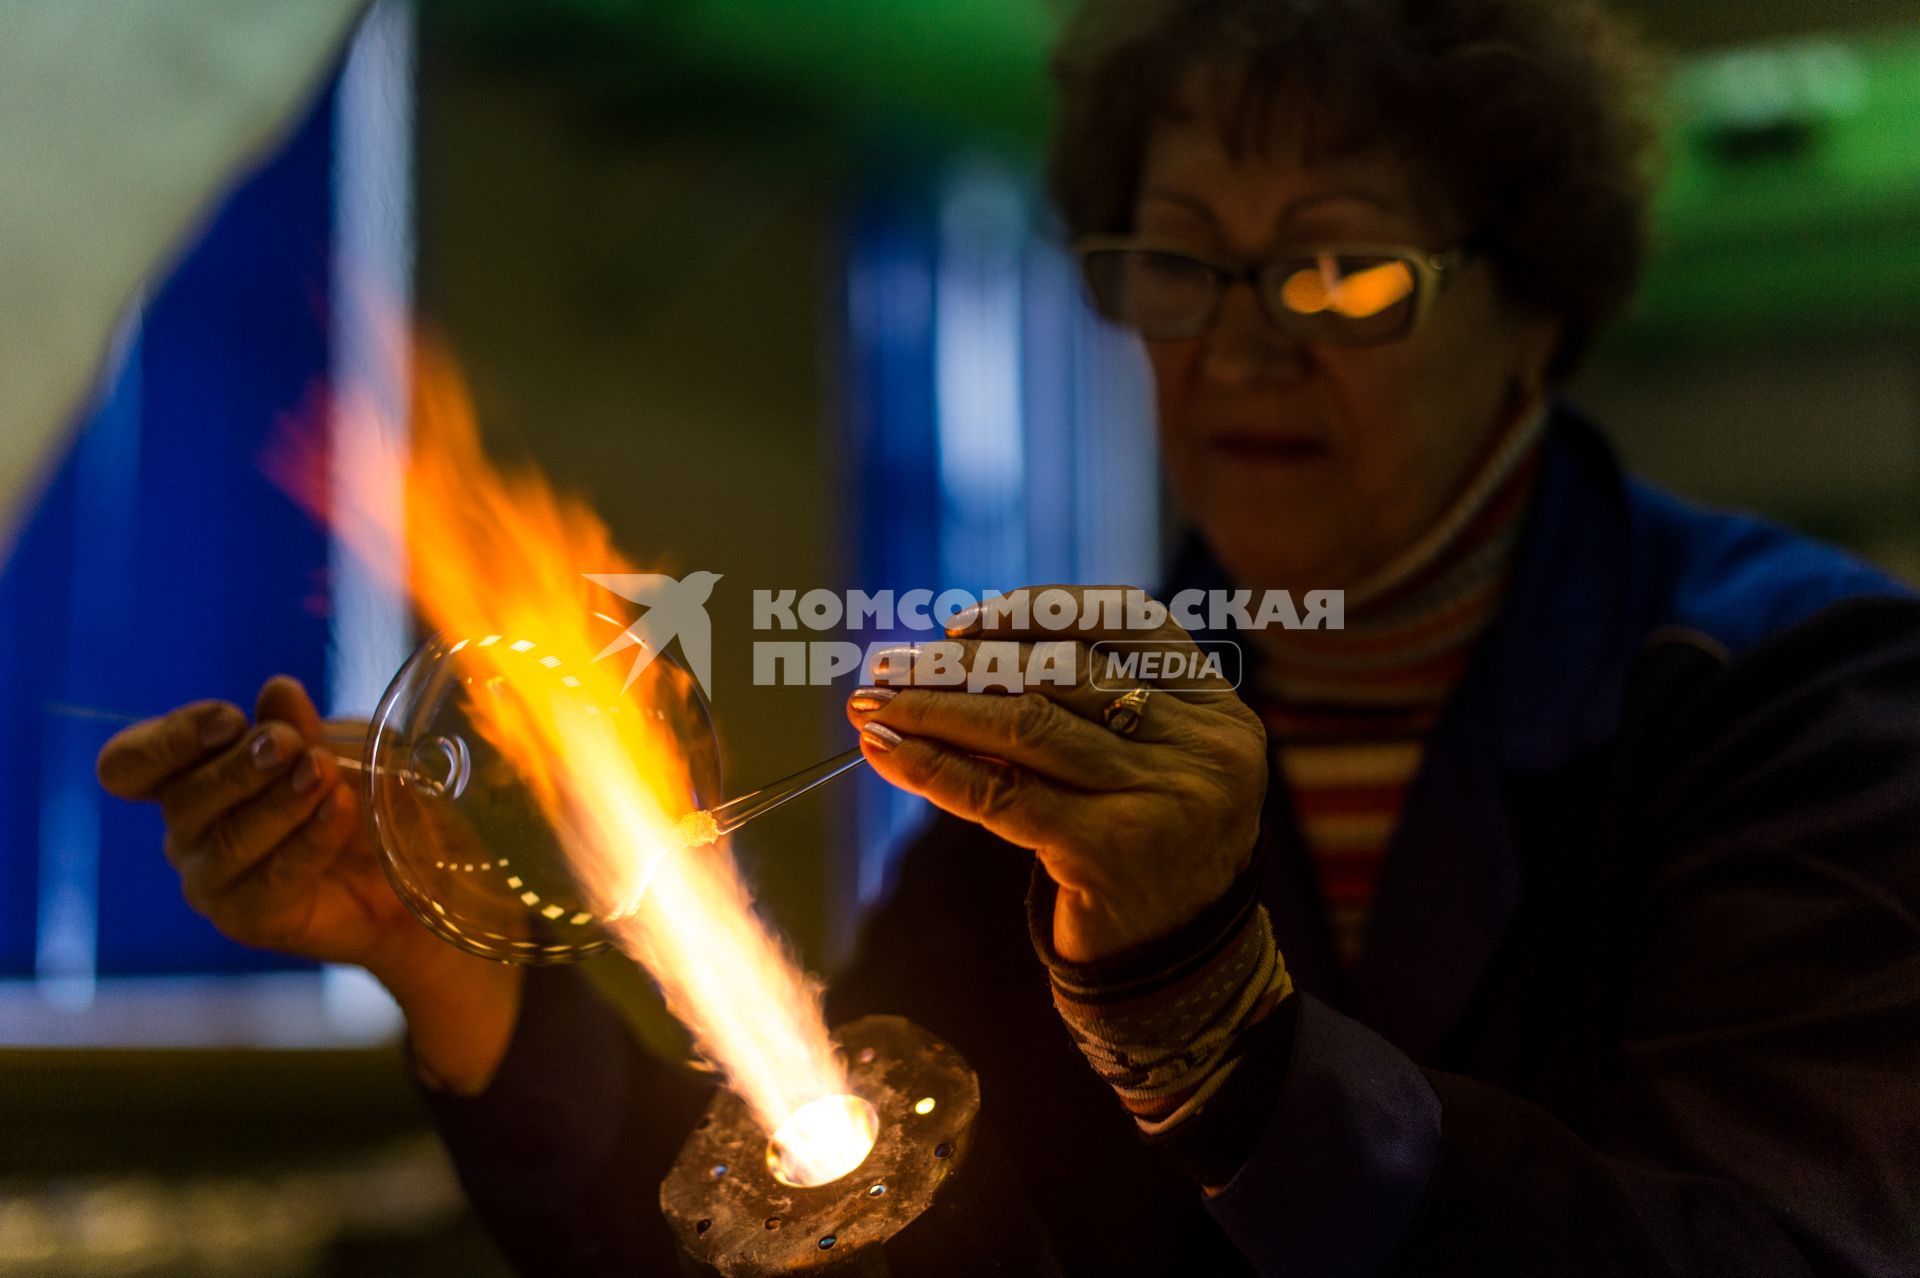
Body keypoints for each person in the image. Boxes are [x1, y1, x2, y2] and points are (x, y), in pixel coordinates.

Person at [98, 0, 1920, 1273]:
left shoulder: (1801, 699)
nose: (1241, 341)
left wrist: (1219, 1025)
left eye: (1345, 268)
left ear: (1539, 308)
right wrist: (450, 965)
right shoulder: (1070, 737)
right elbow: (833, 1208)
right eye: (1177, 263)